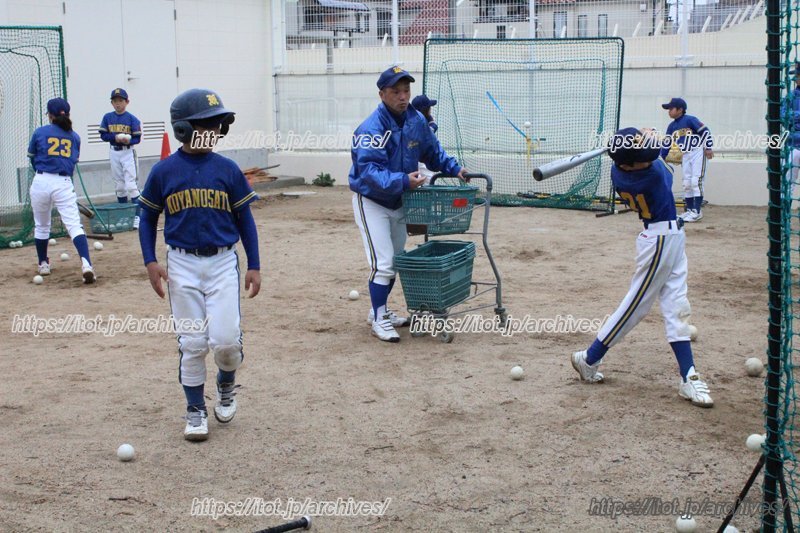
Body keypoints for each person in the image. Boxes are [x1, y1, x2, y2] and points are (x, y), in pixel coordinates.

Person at [138, 88, 261, 441]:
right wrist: (150, 261)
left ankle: (226, 380)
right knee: (193, 343)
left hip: (223, 262)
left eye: (217, 123)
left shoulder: (228, 170)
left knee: (225, 343)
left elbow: (245, 219)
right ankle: (194, 410)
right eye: (206, 124)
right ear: (183, 128)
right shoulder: (164, 172)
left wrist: (254, 263)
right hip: (181, 265)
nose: (214, 130)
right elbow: (147, 218)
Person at [571, 127, 713, 408]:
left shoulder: (621, 170)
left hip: (671, 239)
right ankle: (589, 357)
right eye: (640, 155)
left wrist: (635, 138)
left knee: (677, 305)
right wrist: (651, 136)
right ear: (628, 163)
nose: (646, 157)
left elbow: (646, 152)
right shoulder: (650, 175)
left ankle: (688, 376)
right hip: (659, 241)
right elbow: (665, 157)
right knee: (635, 307)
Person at [350, 66, 467, 343]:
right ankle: (379, 319)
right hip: (372, 201)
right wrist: (403, 180)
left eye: (406, 91)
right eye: (396, 92)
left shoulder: (415, 119)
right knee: (384, 262)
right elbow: (368, 172)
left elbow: (433, 152)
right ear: (382, 94)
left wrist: (455, 169)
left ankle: (379, 311)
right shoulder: (371, 128)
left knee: (396, 258)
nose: (403, 97)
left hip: (400, 198)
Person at [27, 97, 96, 284]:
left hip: (41, 180)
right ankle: (86, 264)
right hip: (63, 181)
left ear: (50, 115)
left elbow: (32, 158)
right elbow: (73, 161)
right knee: (74, 225)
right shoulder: (75, 137)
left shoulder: (40, 132)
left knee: (42, 225)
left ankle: (43, 263)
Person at [660, 97, 713, 222]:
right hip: (686, 155)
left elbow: (705, 131)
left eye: (671, 108)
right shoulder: (672, 126)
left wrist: (708, 147)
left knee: (696, 181)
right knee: (687, 183)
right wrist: (662, 157)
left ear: (680, 109)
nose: (669, 111)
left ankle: (697, 211)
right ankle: (690, 211)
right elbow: (667, 142)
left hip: (698, 152)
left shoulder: (690, 120)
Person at [99, 88, 143, 229]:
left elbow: (137, 138)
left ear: (127, 102)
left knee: (131, 185)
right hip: (114, 151)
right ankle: (124, 216)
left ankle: (137, 217)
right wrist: (115, 137)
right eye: (115, 101)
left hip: (127, 152)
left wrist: (128, 141)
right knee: (119, 185)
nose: (118, 104)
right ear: (112, 103)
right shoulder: (107, 117)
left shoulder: (132, 119)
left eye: (121, 101)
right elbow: (103, 135)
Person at [781, 64, 800, 198]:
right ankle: (783, 214)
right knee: (787, 183)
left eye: (798, 75)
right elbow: (783, 117)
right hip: (792, 144)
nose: (795, 78)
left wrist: (795, 116)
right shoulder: (790, 96)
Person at [411, 94, 439, 183]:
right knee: (428, 182)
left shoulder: (417, 119)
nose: (430, 109)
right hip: (418, 158)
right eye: (429, 108)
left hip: (418, 156)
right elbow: (429, 132)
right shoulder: (416, 123)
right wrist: (432, 124)